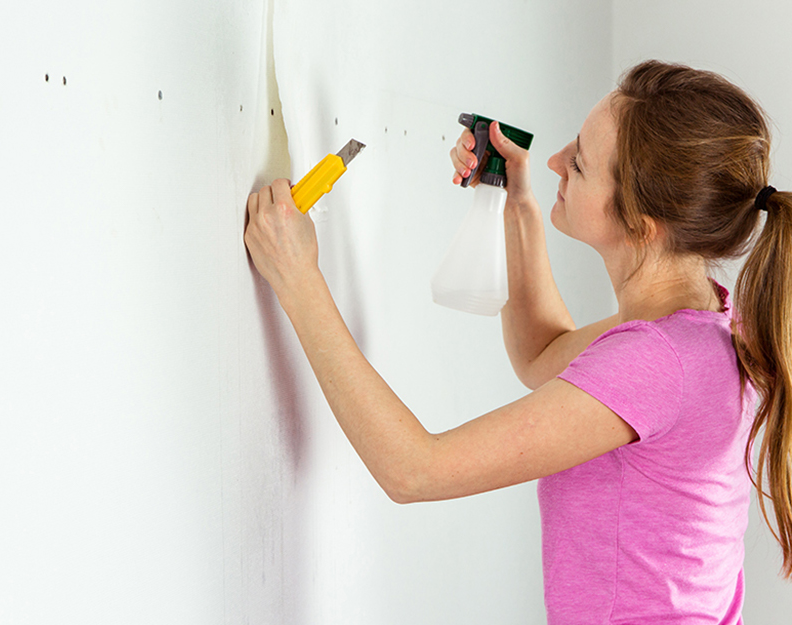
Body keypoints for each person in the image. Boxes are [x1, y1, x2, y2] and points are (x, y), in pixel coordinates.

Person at [243, 60, 792, 623]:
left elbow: (414, 471)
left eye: (578, 164)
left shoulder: (658, 361)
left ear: (642, 223)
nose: (554, 161)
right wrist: (517, 201)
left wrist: (298, 279)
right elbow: (543, 354)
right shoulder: (706, 325)